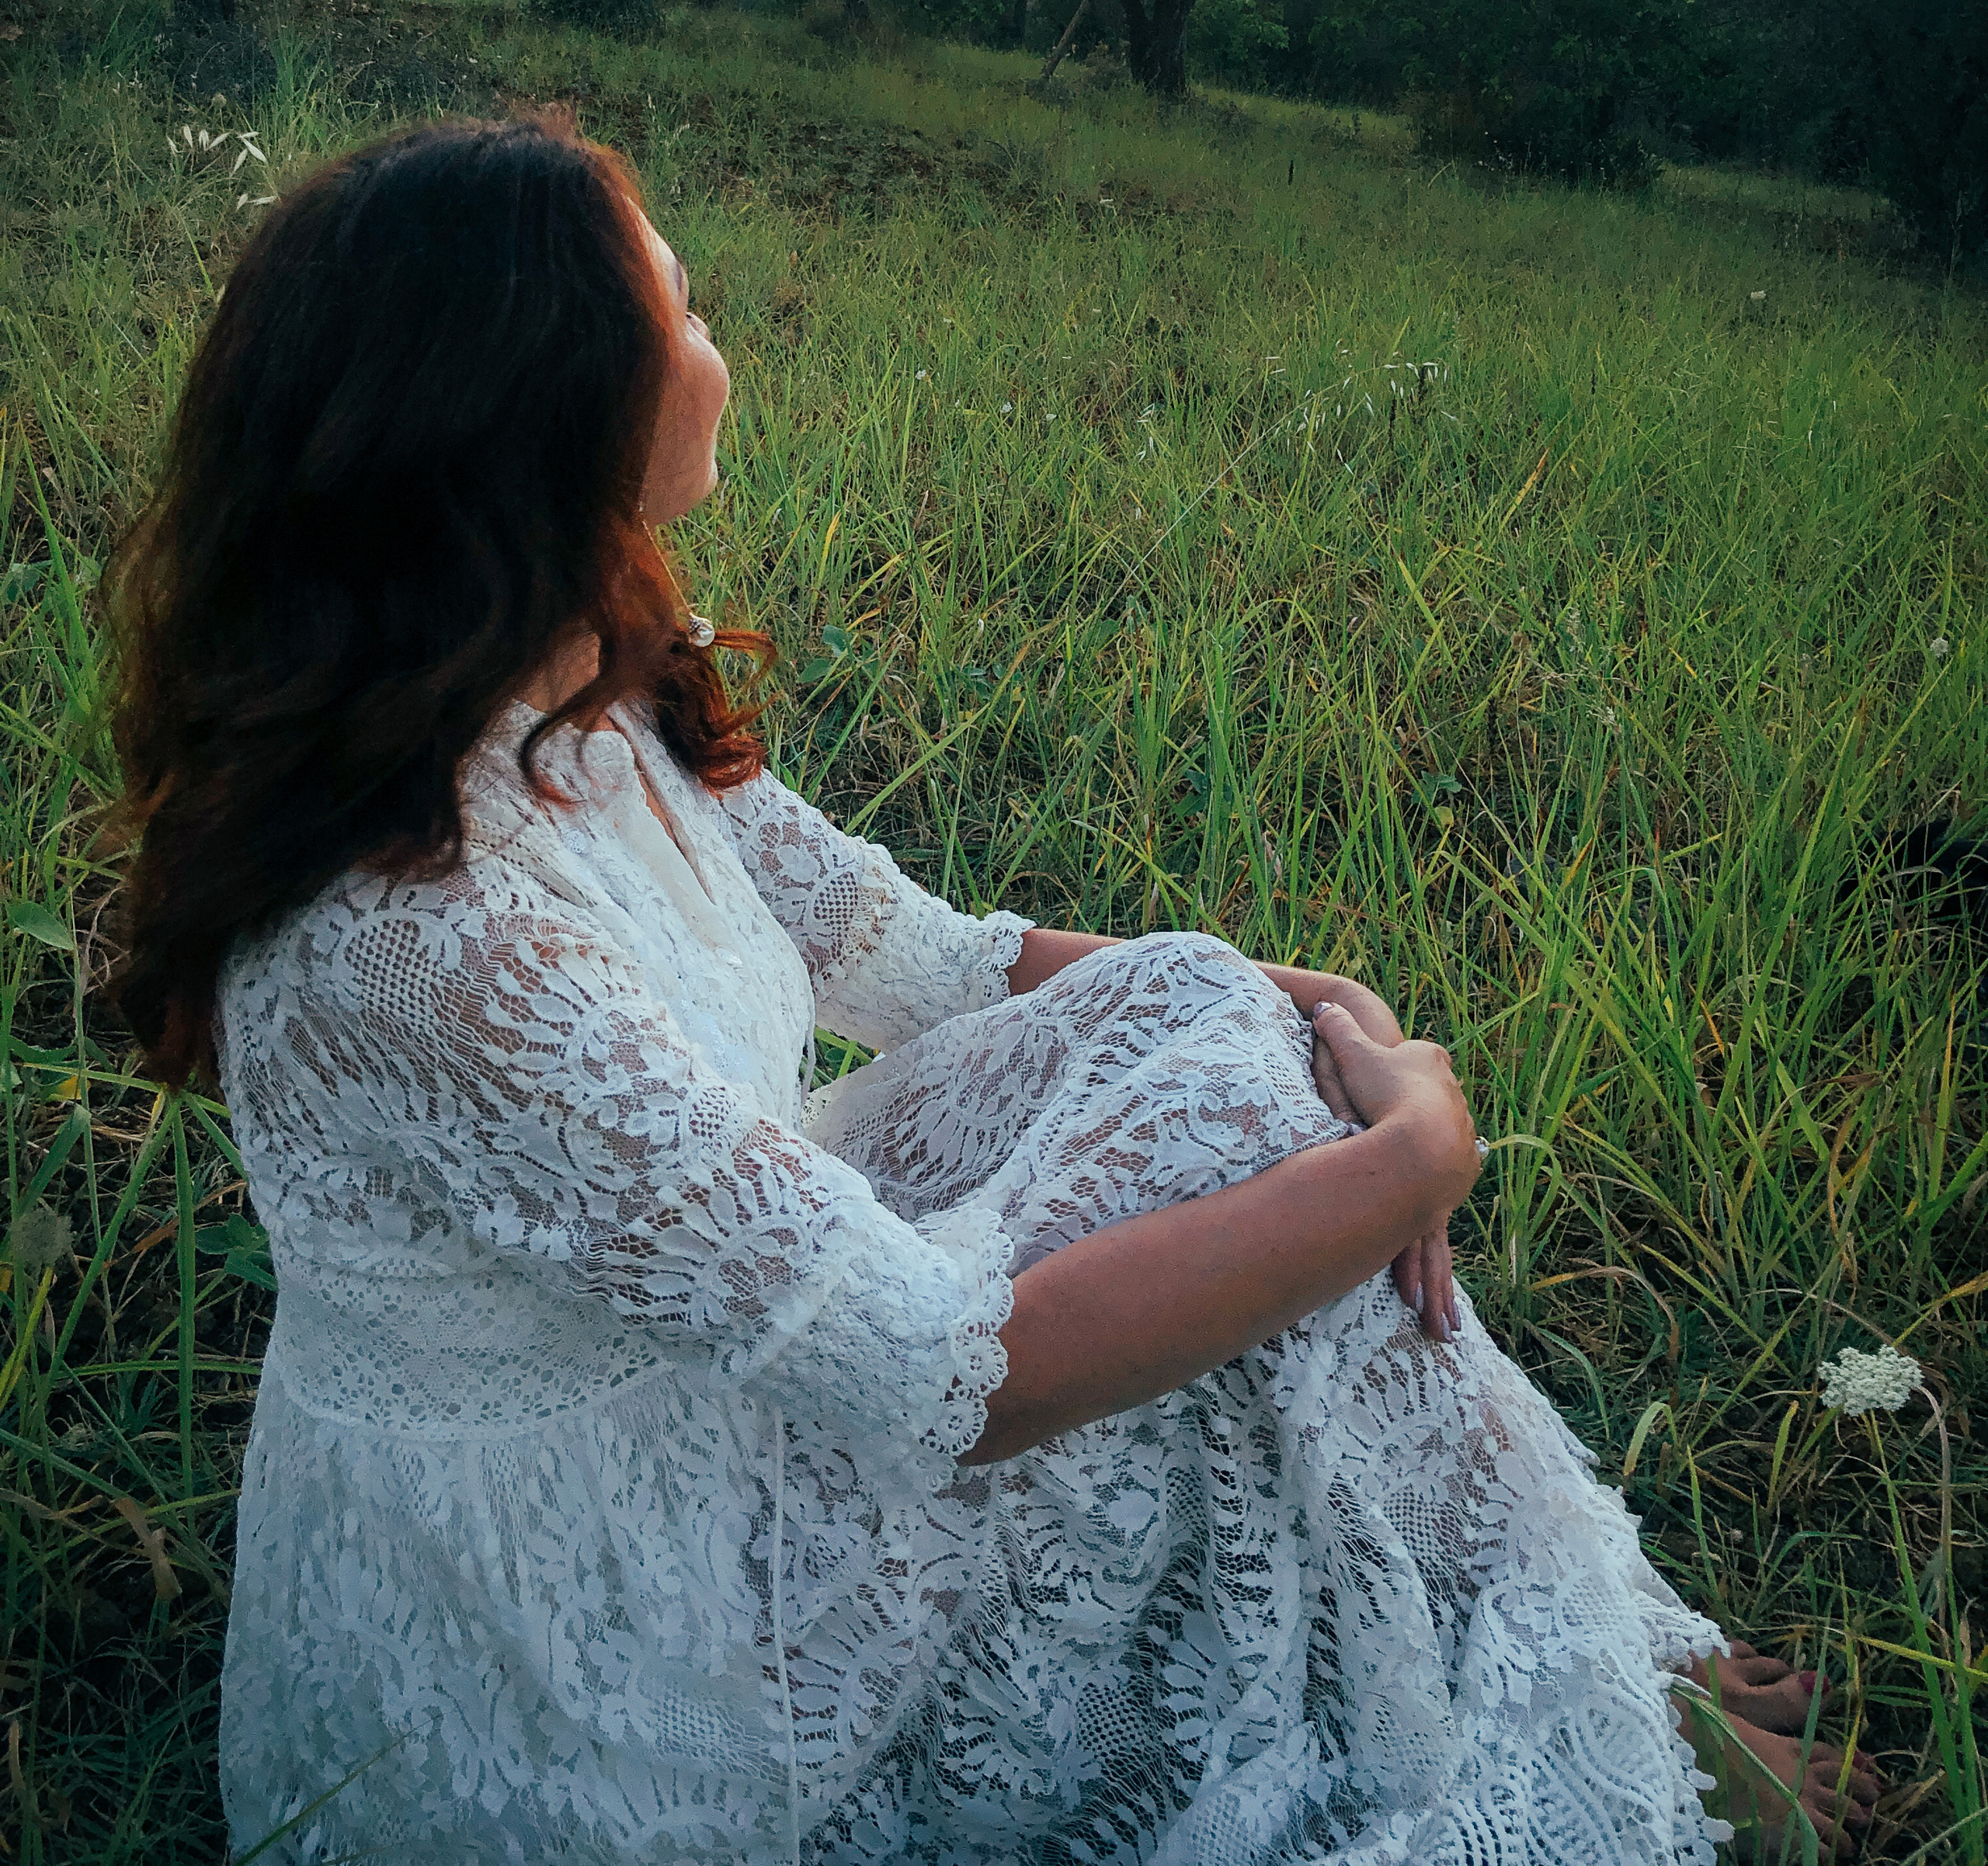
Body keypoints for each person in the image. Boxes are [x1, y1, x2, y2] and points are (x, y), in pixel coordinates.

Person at [106, 113, 1877, 1864]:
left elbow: (925, 958)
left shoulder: (564, 684)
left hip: (724, 1370)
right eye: (684, 310)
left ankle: (1573, 1640)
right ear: (546, 409)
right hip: (594, 1646)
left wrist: (1309, 1006)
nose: (717, 345)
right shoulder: (421, 941)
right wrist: (1407, 1162)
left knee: (1224, 1037)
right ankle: (1598, 1690)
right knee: (1270, 1158)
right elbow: (957, 1380)